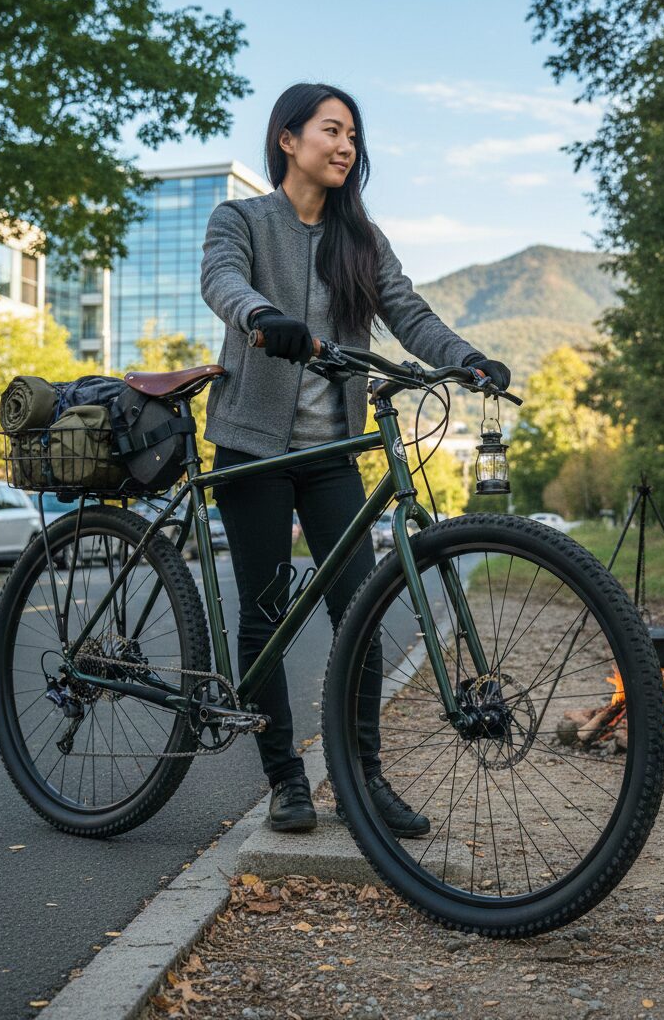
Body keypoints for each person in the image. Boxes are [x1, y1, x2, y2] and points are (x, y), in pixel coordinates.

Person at [199, 82, 511, 833]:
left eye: (353, 137)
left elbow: (407, 312)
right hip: (251, 442)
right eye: (331, 131)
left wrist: (465, 358)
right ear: (288, 138)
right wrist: (261, 316)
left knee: (362, 613)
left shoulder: (361, 241)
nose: (345, 146)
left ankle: (362, 778)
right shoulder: (240, 219)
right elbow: (222, 281)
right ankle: (285, 781)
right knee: (266, 613)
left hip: (334, 448)